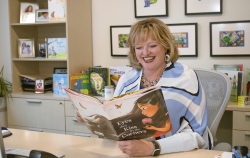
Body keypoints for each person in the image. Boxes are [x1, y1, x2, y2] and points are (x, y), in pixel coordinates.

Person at [76, 18, 211, 157]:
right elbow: (116, 125)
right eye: (139, 47)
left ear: (166, 46)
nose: (145, 53)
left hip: (176, 153)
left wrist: (152, 148)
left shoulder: (185, 78)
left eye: (152, 45)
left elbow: (197, 135)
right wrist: (92, 118)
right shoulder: (126, 80)